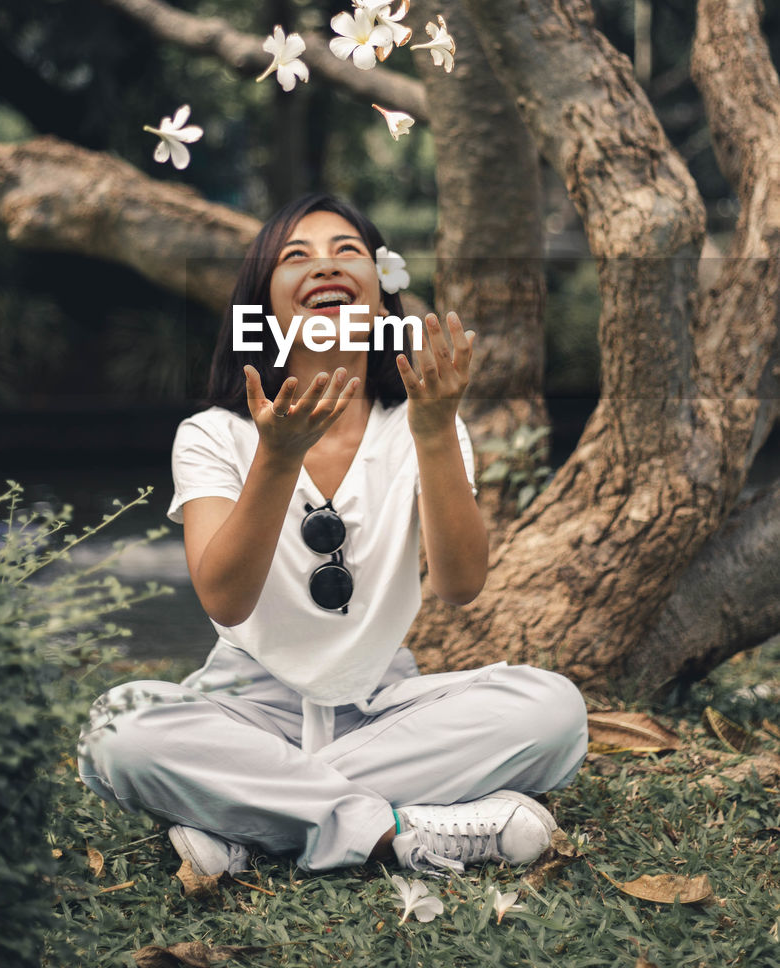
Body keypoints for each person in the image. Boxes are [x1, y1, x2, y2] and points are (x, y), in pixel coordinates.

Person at [78, 192, 587, 877]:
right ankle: (397, 831)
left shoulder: (428, 424)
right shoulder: (211, 436)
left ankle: (242, 821)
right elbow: (225, 600)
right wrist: (278, 458)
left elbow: (462, 584)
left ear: (381, 302)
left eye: (347, 251)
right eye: (296, 257)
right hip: (245, 712)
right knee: (120, 729)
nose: (325, 264)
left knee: (553, 712)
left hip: (385, 709)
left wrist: (434, 431)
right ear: (265, 310)